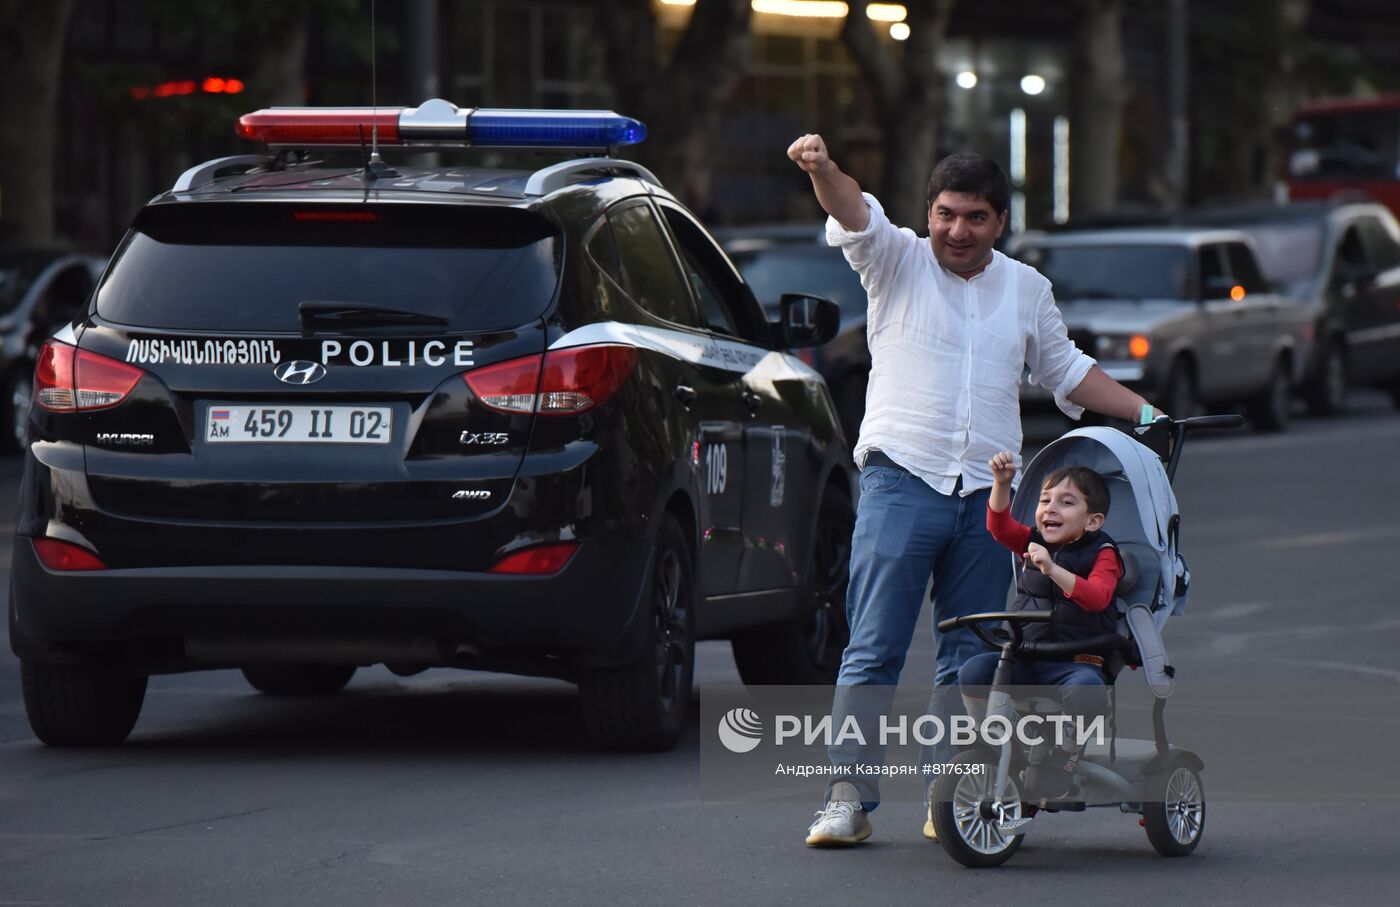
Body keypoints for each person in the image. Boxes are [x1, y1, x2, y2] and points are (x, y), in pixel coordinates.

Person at [789, 135, 1162, 847]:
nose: (957, 231)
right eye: (946, 213)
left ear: (1000, 223)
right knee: (873, 645)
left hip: (990, 502)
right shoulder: (893, 258)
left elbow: (1067, 370)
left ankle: (949, 797)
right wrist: (821, 169)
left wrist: (1144, 411)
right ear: (927, 212)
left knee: (975, 656)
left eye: (975, 217)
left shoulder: (1025, 288)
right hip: (902, 479)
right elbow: (853, 213)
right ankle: (846, 798)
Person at [959, 453, 1122, 800]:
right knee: (974, 671)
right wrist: (1002, 485)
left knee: (1087, 690)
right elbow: (999, 528)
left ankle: (1065, 754)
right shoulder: (1034, 541)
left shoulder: (1104, 552)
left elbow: (1097, 597)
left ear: (1092, 521)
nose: (1050, 509)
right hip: (1027, 655)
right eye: (1045, 500)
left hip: (1077, 660)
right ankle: (998, 742)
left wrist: (1052, 570)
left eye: (1066, 503)